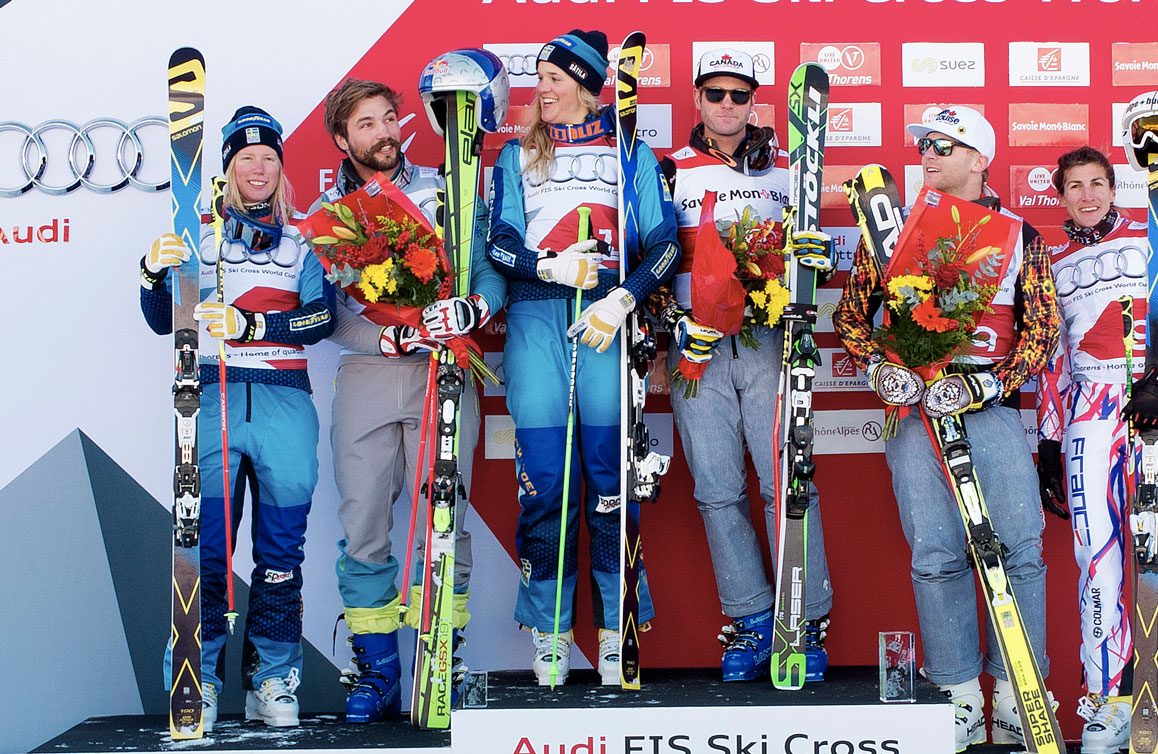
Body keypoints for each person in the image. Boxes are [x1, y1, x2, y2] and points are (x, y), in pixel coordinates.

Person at [833, 105, 1061, 751]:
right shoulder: (898, 232)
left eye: (943, 145)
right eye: (924, 145)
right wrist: (883, 371)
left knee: (1019, 550)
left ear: (979, 158)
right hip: (914, 412)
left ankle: (1021, 695)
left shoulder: (1019, 235)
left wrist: (989, 383)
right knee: (935, 555)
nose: (927, 154)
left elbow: (1043, 331)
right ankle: (956, 697)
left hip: (986, 408)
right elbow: (853, 316)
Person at [486, 29, 680, 685]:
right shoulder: (515, 158)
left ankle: (615, 632)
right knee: (546, 488)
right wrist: (548, 264)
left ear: (590, 84)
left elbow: (664, 243)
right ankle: (548, 634)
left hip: (604, 327)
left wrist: (621, 299)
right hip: (539, 323)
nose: (541, 87)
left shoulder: (630, 154)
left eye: (555, 77)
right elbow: (500, 245)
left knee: (609, 489)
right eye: (537, 76)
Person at [311, 78, 505, 722]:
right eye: (366, 124)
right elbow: (325, 312)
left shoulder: (448, 184)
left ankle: (439, 658)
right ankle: (377, 670)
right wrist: (387, 331)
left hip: (445, 366)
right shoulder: (329, 209)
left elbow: (484, 269)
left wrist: (475, 305)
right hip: (369, 371)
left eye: (389, 119)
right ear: (343, 139)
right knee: (363, 520)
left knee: (444, 515)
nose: (383, 132)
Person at [140, 106, 335, 729]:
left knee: (281, 556)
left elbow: (320, 319)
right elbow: (161, 319)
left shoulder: (304, 241)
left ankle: (272, 681)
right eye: (245, 158)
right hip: (214, 399)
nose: (258, 167)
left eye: (269, 158)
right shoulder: (197, 238)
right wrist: (153, 273)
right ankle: (197, 681)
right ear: (224, 171)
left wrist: (254, 323)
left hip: (284, 403)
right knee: (209, 552)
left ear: (282, 169)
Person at [654, 49, 835, 683]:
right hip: (695, 342)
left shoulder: (790, 167)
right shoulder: (666, 168)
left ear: (754, 102)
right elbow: (649, 252)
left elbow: (818, 255)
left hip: (766, 338)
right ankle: (754, 621)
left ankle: (804, 621)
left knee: (786, 482)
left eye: (739, 96)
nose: (727, 106)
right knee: (716, 488)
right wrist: (671, 326)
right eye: (715, 95)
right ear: (697, 101)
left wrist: (813, 255)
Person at [1037, 146, 1158, 754]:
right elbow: (1053, 360)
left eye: (1096, 184)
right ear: (1060, 196)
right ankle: (1107, 707)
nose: (1085, 196)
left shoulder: (1155, 240)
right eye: (1073, 187)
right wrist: (1048, 441)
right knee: (1097, 561)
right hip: (1090, 409)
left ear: (1114, 189)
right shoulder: (1052, 262)